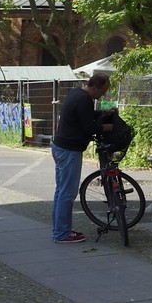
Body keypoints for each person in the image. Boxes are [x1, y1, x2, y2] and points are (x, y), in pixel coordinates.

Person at [51, 75, 115, 243]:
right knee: (68, 193)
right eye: (103, 91)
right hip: (69, 150)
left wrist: (102, 112)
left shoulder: (77, 93)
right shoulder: (85, 99)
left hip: (60, 147)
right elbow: (88, 127)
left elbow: (84, 115)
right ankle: (62, 234)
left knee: (61, 191)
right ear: (95, 87)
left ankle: (59, 228)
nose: (102, 95)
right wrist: (105, 127)